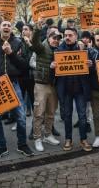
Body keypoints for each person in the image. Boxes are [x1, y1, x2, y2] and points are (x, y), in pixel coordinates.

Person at [0, 20, 34, 160]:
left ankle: (22, 144)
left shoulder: (18, 43)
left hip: (13, 83)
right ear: (0, 28)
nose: (7, 27)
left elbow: (24, 66)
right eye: (4, 25)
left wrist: (10, 53)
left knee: (21, 117)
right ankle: (1, 147)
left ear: (11, 29)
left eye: (9, 25)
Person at [52, 27, 92, 152]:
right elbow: (53, 70)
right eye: (66, 35)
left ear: (76, 36)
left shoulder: (83, 50)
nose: (67, 37)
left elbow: (90, 68)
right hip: (66, 90)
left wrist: (90, 65)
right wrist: (52, 66)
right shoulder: (58, 50)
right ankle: (68, 139)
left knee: (82, 116)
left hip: (80, 89)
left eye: (70, 35)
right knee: (67, 116)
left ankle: (83, 139)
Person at [30, 19, 62, 152]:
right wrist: (37, 28)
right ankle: (37, 138)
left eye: (58, 39)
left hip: (53, 86)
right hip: (41, 85)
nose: (56, 40)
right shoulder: (42, 47)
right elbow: (34, 42)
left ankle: (48, 135)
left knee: (51, 113)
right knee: (39, 113)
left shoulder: (59, 50)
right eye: (54, 38)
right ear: (48, 38)